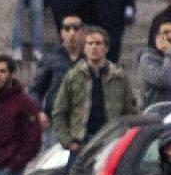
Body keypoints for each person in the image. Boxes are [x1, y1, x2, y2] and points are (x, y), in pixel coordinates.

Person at [50, 27, 139, 155]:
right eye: (90, 43)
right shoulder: (73, 76)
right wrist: (68, 142)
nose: (94, 47)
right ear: (84, 48)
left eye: (98, 43)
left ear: (106, 48)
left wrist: (124, 139)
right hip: (82, 144)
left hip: (111, 142)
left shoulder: (119, 77)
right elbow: (59, 112)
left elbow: (131, 111)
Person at [30, 17, 85, 134]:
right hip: (56, 122)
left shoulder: (89, 59)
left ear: (82, 32)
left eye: (76, 28)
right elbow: (36, 90)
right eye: (67, 28)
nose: (72, 33)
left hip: (83, 123)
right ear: (62, 33)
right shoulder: (51, 57)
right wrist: (39, 112)